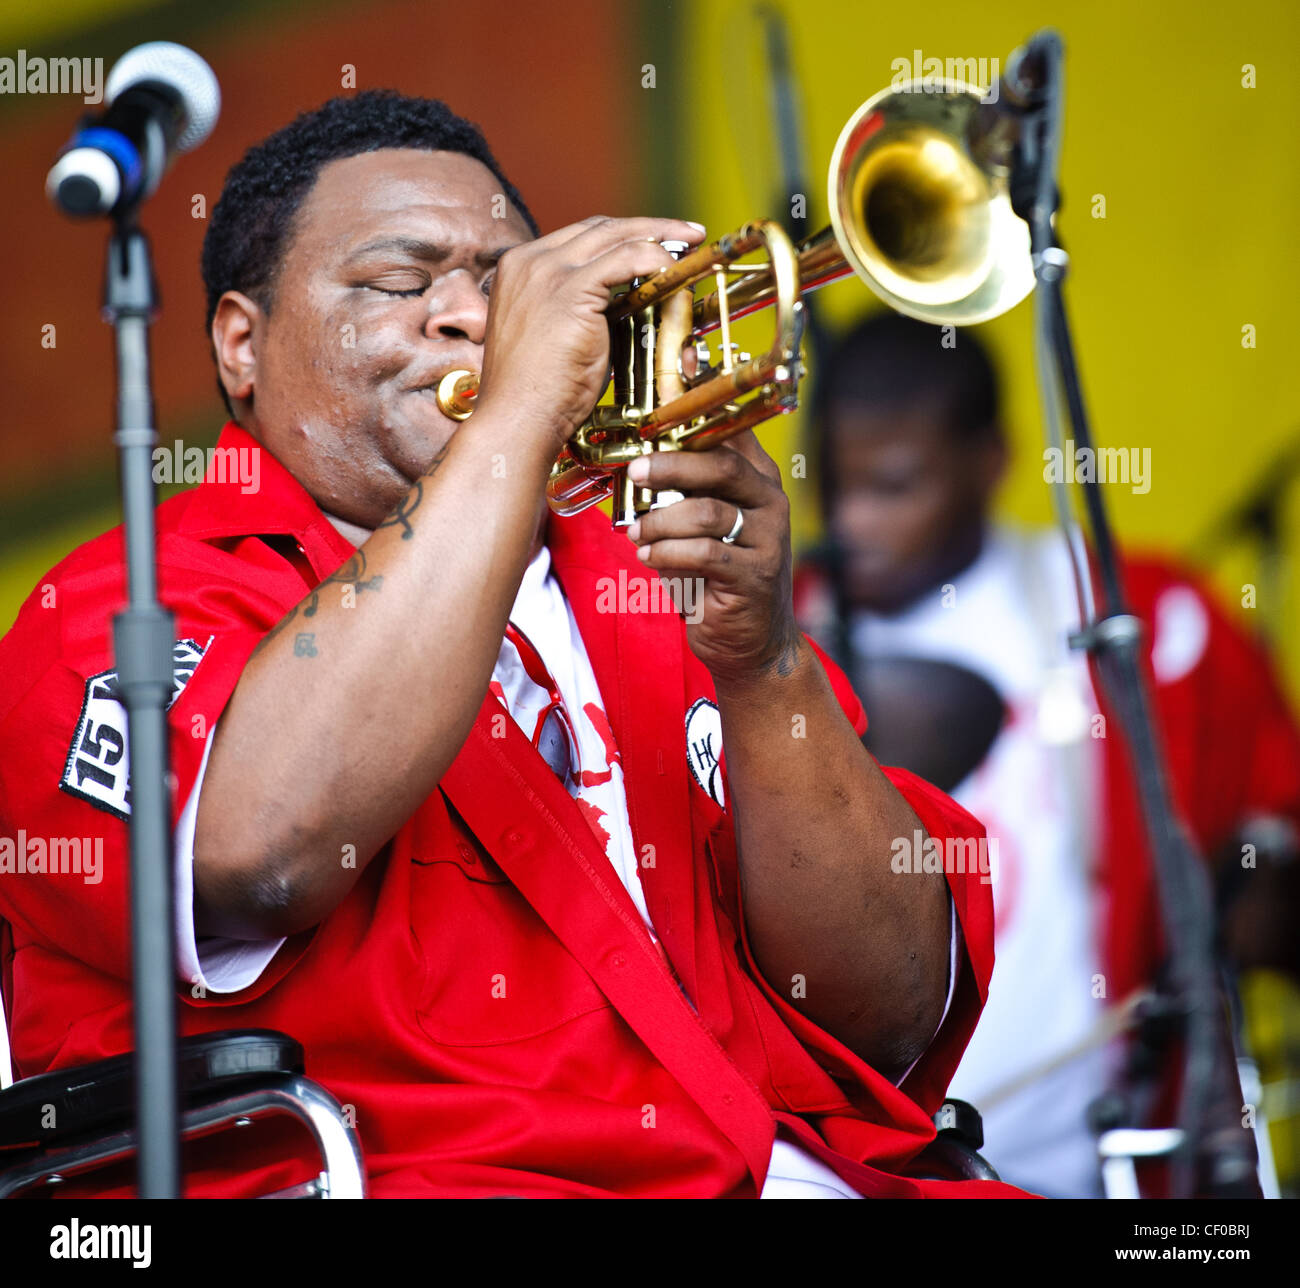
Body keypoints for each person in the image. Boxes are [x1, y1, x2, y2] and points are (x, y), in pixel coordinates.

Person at [0, 93, 1023, 1199]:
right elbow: (259, 855)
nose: (471, 318)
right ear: (242, 344)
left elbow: (892, 1006)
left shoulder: (654, 574)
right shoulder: (118, 602)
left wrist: (763, 664)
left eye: (504, 283)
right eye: (401, 283)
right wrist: (519, 414)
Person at [795, 311, 1300, 1197]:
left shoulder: (1139, 619)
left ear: (988, 461)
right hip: (852, 1165)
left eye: (894, 487)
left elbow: (1277, 850)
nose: (853, 522)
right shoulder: (758, 637)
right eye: (834, 488)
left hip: (1107, 1157)